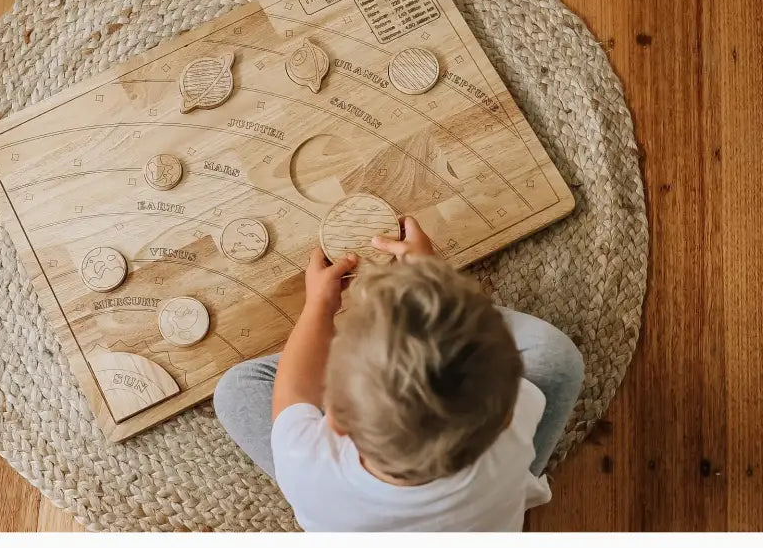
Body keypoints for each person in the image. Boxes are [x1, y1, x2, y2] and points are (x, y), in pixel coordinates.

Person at [213, 216, 584, 531]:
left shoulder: (306, 465)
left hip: (339, 505)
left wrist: (319, 306)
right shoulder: (511, 442)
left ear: (335, 419)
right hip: (481, 503)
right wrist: (432, 282)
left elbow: (293, 392)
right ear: (506, 416)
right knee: (557, 358)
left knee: (236, 389)